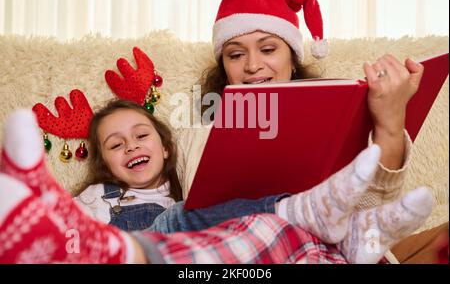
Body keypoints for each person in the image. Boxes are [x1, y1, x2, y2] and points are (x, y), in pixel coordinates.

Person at [180, 0, 446, 263]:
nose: (253, 66)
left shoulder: (335, 116)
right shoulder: (197, 133)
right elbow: (205, 227)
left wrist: (389, 125)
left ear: (293, 59)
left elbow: (371, 211)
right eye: (235, 55)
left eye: (268, 49)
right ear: (225, 67)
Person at [0, 101, 432, 263]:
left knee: (268, 230)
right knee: (178, 217)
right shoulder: (98, 197)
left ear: (166, 148)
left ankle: (350, 245)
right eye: (116, 145)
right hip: (137, 252)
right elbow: (70, 236)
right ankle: (305, 210)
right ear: (105, 165)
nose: (131, 147)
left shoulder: (185, 188)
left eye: (141, 135)